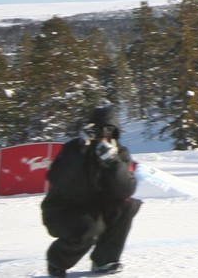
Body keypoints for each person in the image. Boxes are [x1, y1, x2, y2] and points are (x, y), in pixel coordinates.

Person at [40, 103, 141, 277]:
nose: (103, 135)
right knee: (90, 228)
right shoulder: (74, 148)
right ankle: (57, 261)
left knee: (128, 205)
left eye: (108, 129)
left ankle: (105, 260)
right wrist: (81, 150)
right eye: (98, 129)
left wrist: (113, 162)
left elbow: (126, 190)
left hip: (97, 208)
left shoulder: (119, 153)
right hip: (64, 209)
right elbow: (57, 178)